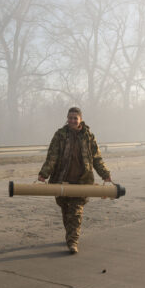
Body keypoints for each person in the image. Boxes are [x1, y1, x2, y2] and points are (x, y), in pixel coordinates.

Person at [38, 107, 113, 254]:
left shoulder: (88, 136)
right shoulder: (60, 135)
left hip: (82, 182)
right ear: (67, 118)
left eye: (75, 118)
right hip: (61, 180)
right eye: (70, 118)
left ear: (80, 120)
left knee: (76, 212)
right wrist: (44, 174)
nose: (72, 121)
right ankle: (70, 236)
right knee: (66, 211)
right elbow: (52, 156)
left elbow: (97, 158)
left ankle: (73, 242)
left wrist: (105, 174)